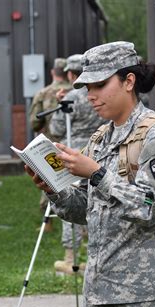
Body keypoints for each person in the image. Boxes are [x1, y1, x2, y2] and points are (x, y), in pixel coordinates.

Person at [26, 41, 155, 307]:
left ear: (129, 81)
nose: (91, 95)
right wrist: (54, 189)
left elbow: (152, 208)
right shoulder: (101, 139)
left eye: (99, 85)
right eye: (87, 88)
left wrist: (96, 173)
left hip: (150, 293)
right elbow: (86, 210)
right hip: (101, 290)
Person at [49, 54, 107, 275]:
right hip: (100, 151)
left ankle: (70, 258)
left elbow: (56, 128)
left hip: (75, 151)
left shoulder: (72, 97)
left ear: (71, 75)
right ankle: (96, 252)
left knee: (73, 199)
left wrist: (60, 103)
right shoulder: (101, 95)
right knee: (98, 200)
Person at [29, 58, 71, 232]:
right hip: (73, 143)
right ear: (68, 73)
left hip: (50, 145)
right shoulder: (78, 92)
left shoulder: (43, 93)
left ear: (53, 72)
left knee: (49, 179)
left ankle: (48, 223)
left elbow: (34, 122)